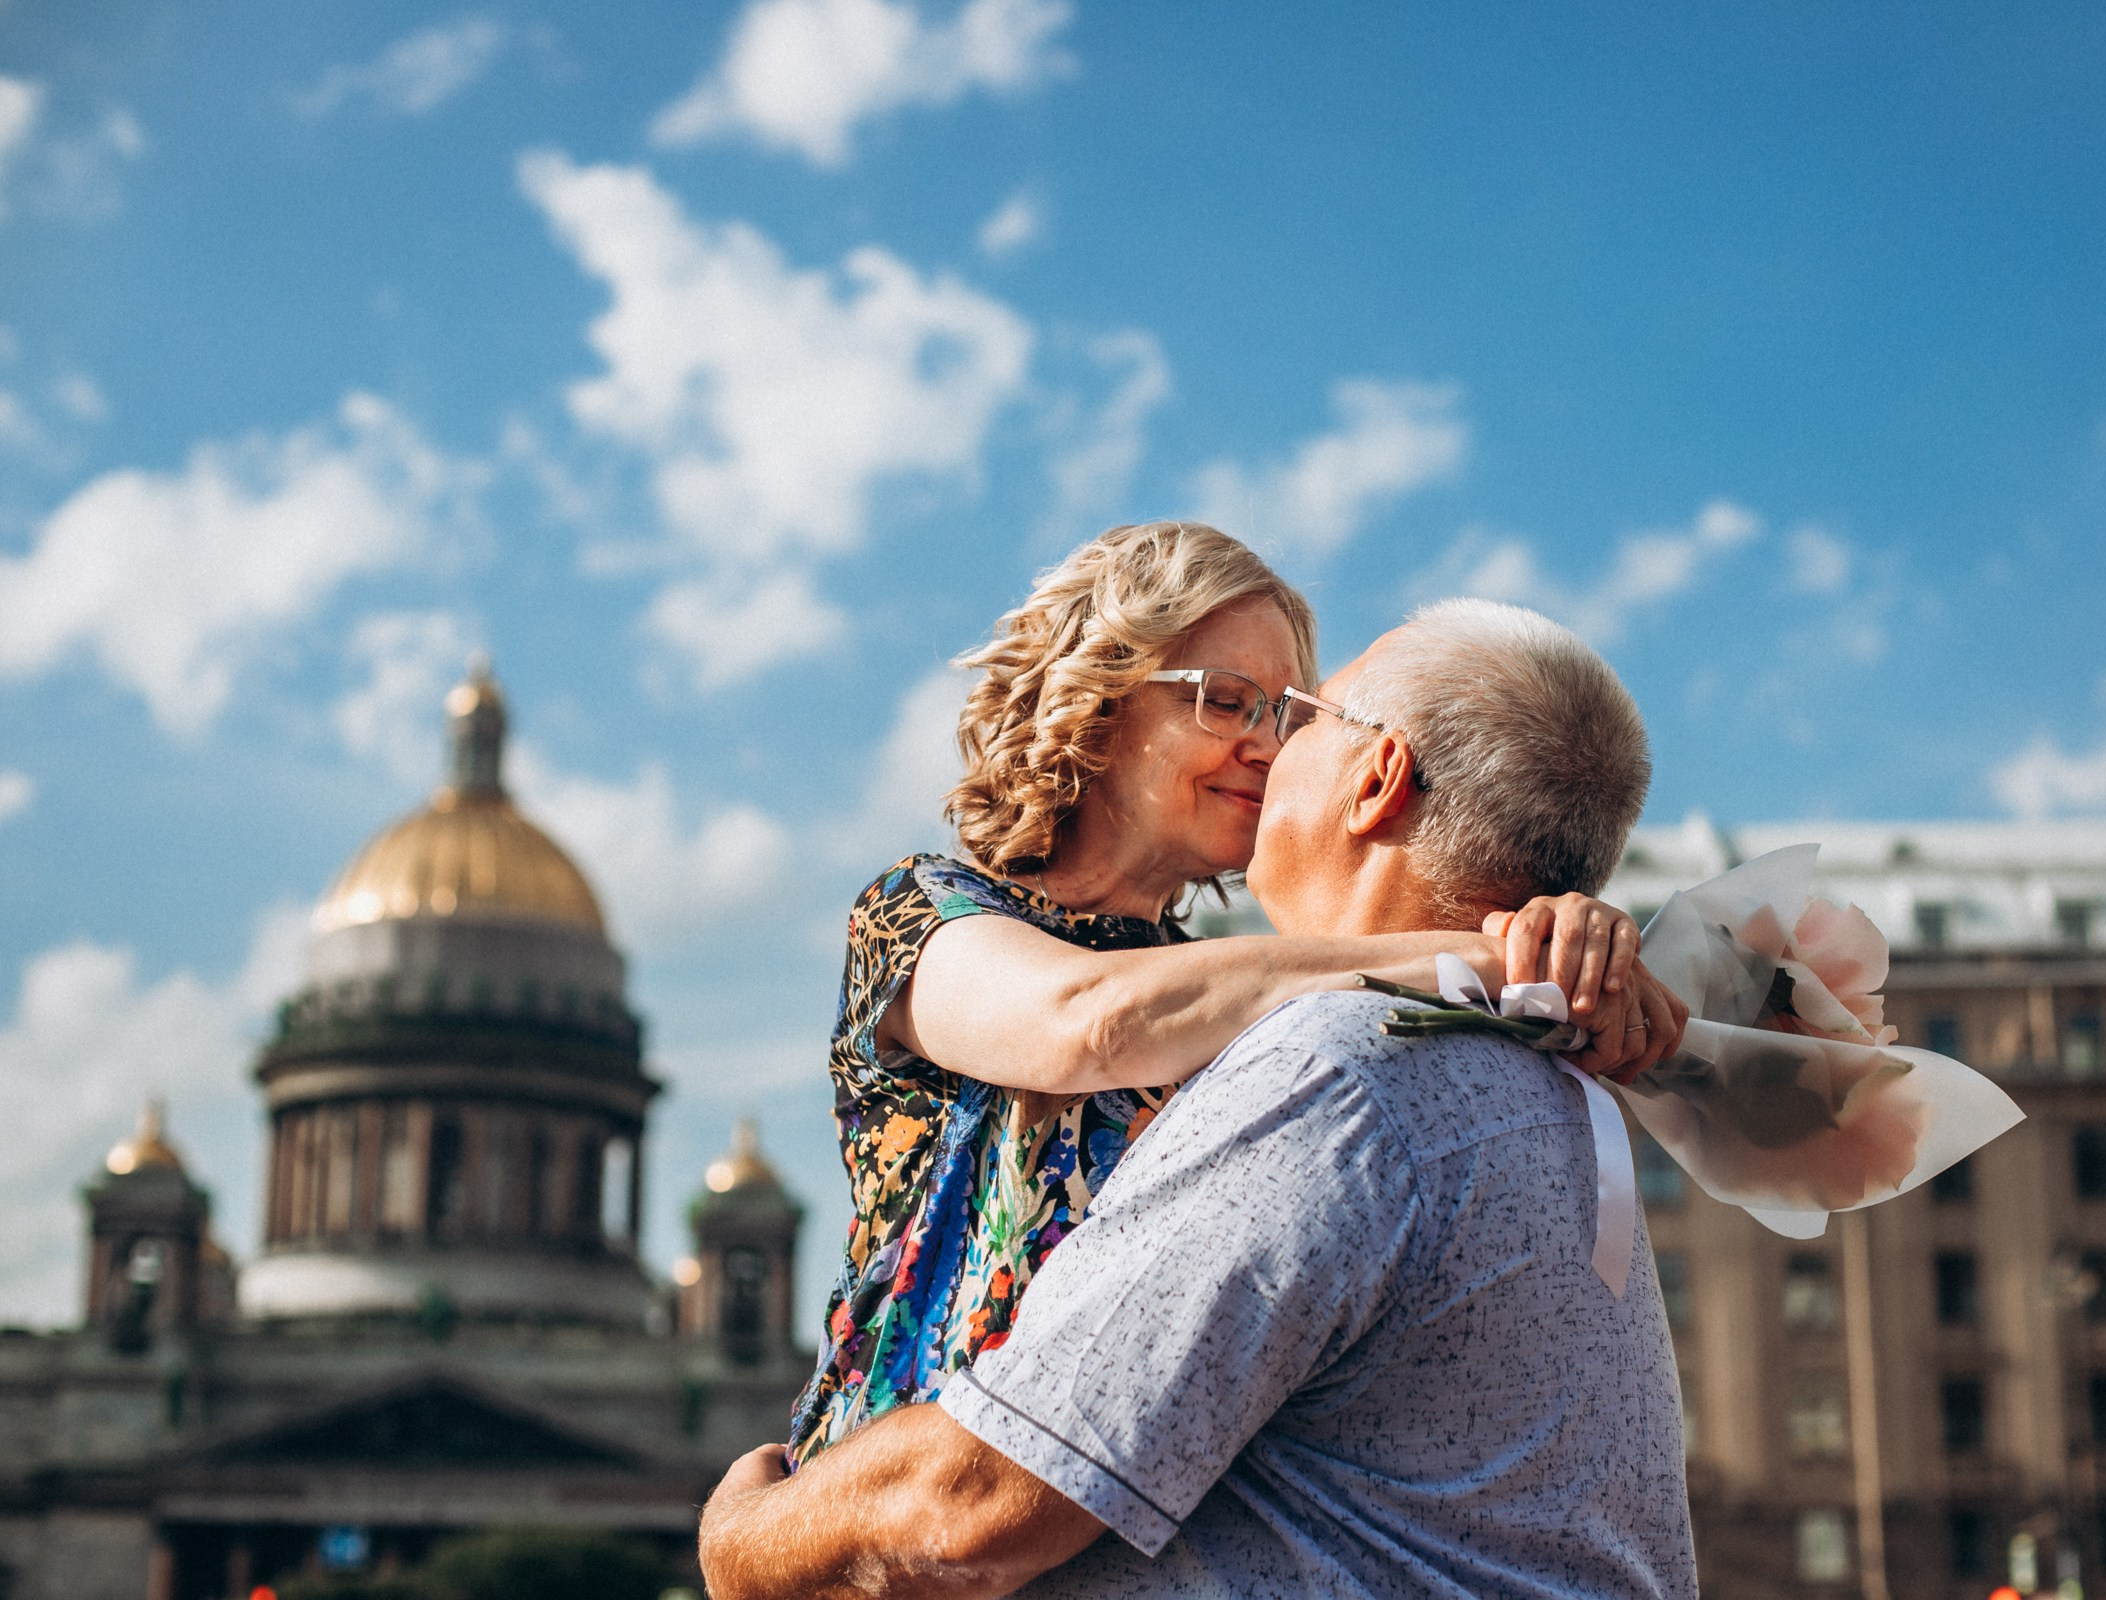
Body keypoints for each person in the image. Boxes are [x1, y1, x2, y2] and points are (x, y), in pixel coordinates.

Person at [701, 597, 1698, 1600]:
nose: (1265, 747)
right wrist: (1486, 957)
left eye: (1295, 715)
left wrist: (743, 1538)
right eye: (1227, 704)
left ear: (1378, 778)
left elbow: (967, 1508)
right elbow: (1084, 1016)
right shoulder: (1561, 1085)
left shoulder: (1340, 1070)